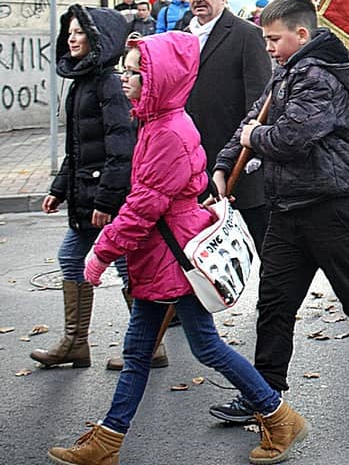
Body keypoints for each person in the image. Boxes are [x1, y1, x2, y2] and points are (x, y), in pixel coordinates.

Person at [48, 32, 308, 465]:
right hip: (164, 256)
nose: (125, 78)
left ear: (158, 80)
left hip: (174, 259)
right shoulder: (157, 122)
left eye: (136, 72)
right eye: (125, 69)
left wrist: (100, 254)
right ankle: (108, 440)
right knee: (140, 352)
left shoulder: (166, 131)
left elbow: (142, 208)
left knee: (202, 347)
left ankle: (278, 415)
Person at [211, 0, 349, 423]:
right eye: (266, 39)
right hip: (288, 205)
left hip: (329, 205)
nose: (268, 47)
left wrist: (254, 138)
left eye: (275, 39)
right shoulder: (286, 72)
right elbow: (253, 120)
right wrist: (223, 164)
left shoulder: (319, 76)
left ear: (301, 34)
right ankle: (264, 391)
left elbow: (291, 138)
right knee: (275, 302)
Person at [33, 5, 141, 370]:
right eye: (70, 32)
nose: (72, 38)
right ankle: (75, 343)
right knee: (73, 258)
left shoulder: (109, 84)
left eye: (80, 32)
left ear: (99, 38)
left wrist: (107, 200)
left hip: (107, 199)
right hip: (88, 197)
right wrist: (58, 189)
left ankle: (148, 344)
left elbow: (121, 148)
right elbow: (79, 149)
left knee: (126, 266)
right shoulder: (83, 82)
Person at [181, 0, 274, 253]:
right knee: (200, 249)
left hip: (236, 160)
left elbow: (260, 100)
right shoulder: (180, 35)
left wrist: (249, 153)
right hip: (192, 161)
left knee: (264, 243)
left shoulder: (246, 35)